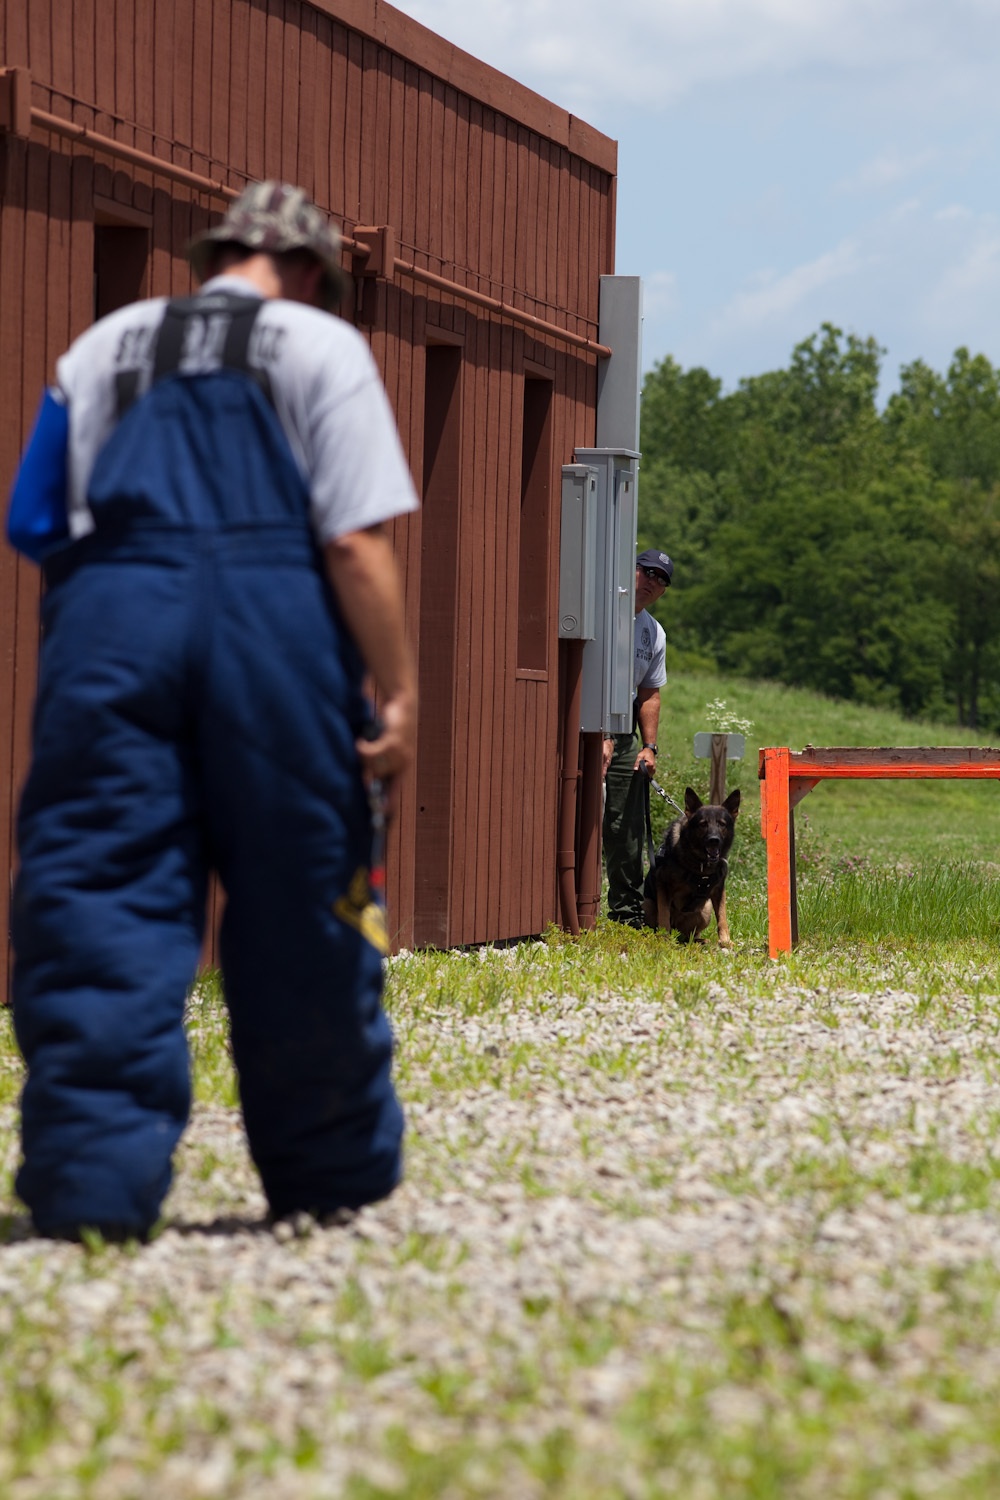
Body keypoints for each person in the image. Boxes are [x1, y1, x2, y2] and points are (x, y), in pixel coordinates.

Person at [6, 181, 419, 1241]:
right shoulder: (323, 350)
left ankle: (92, 1192)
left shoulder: (101, 347)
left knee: (102, 891)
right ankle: (327, 1178)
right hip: (272, 625)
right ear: (315, 271)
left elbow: (35, 517)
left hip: (113, 624)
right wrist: (399, 693)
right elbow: (354, 543)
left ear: (213, 258)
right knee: (303, 896)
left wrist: (130, 600)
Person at [601, 548, 672, 927]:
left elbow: (649, 693)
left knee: (625, 826)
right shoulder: (603, 607)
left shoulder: (654, 632)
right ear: (632, 570)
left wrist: (649, 746)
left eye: (661, 579)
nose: (651, 581)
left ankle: (626, 914)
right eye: (646, 571)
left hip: (626, 730)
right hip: (585, 720)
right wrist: (600, 731)